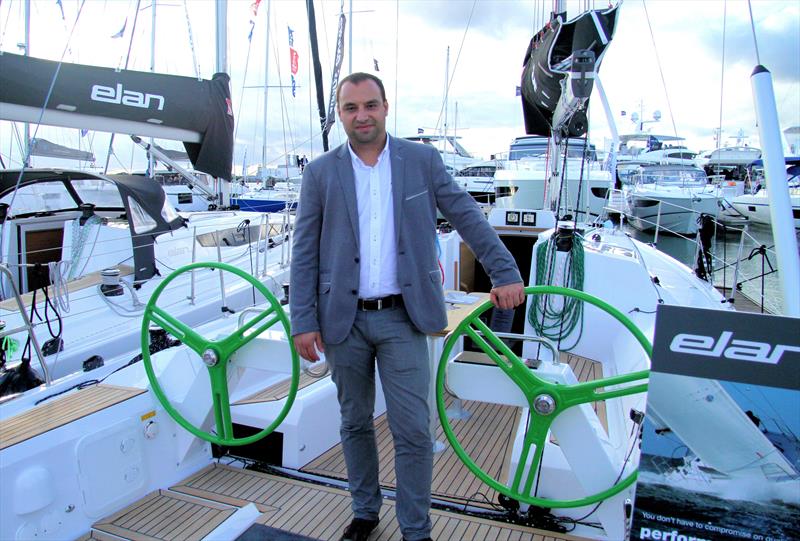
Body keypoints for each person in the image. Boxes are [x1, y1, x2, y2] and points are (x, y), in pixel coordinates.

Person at [289, 72, 525, 541]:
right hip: (343, 320)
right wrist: (303, 320)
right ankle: (365, 511)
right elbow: (304, 250)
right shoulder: (320, 172)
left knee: (414, 429)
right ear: (340, 114)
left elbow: (466, 213)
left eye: (370, 105)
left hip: (404, 316)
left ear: (385, 106)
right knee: (354, 421)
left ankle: (415, 529)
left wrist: (505, 271)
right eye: (351, 108)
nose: (362, 115)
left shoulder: (421, 160)